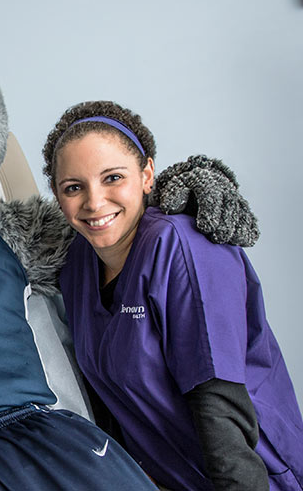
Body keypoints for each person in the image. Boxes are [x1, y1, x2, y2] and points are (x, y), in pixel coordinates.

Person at [43, 100, 303, 490]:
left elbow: (220, 403)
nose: (94, 203)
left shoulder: (183, 245)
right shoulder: (77, 263)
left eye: (113, 178)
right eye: (74, 187)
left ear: (147, 174)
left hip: (251, 477)